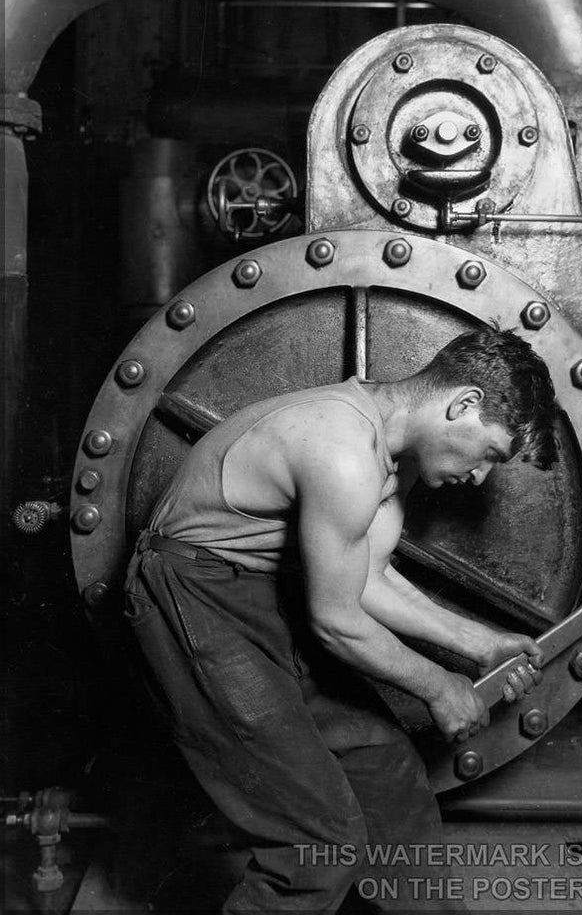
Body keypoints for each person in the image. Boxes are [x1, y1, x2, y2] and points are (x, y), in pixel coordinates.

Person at [124, 326, 557, 913]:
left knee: (387, 772)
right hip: (194, 597)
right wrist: (441, 686)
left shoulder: (389, 453)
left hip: (260, 594)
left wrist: (482, 644)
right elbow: (334, 619)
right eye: (489, 455)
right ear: (463, 404)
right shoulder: (342, 449)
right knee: (317, 840)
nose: (480, 477)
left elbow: (368, 579)